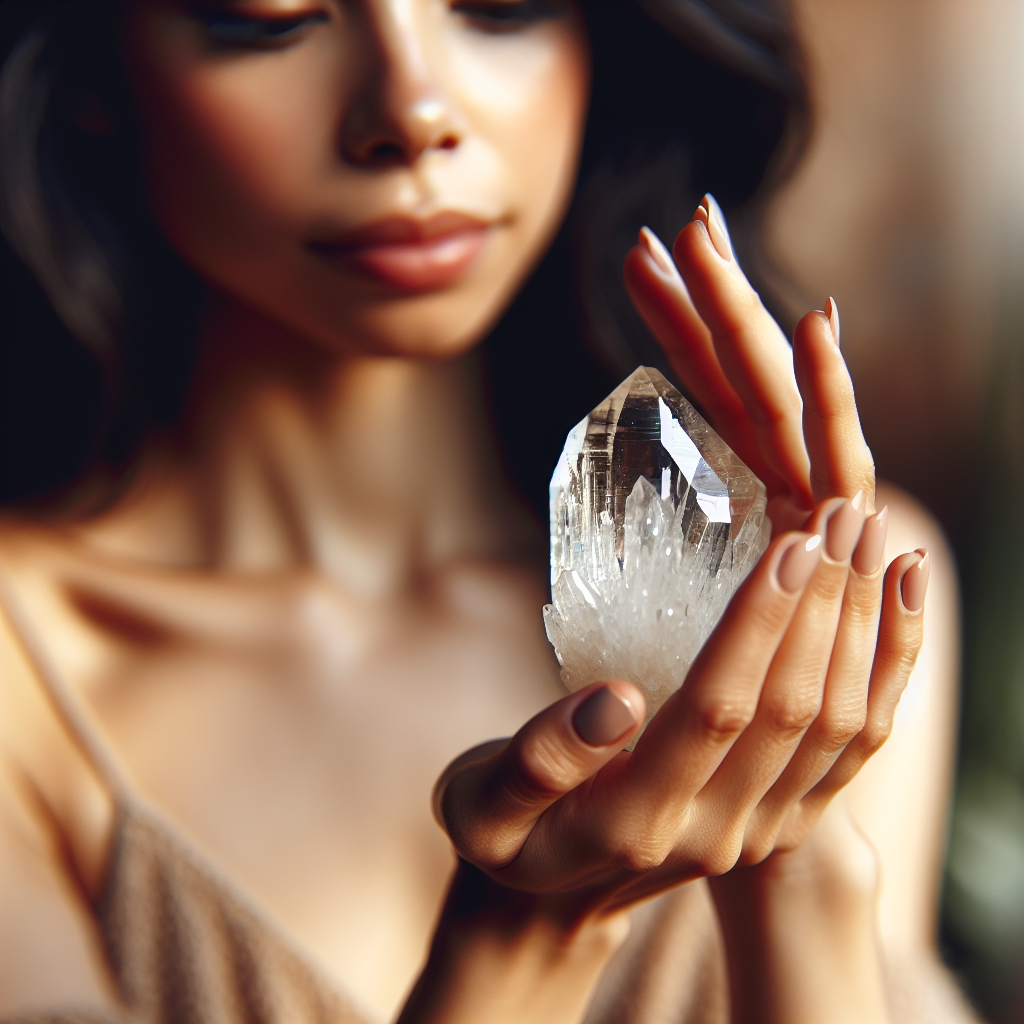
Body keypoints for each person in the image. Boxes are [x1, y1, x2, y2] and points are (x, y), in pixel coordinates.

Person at [0, 1, 967, 1021]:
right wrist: (515, 943)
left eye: (501, 6)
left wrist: (793, 857)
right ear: (96, 70)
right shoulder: (24, 670)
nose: (412, 110)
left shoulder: (835, 583)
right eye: (271, 19)